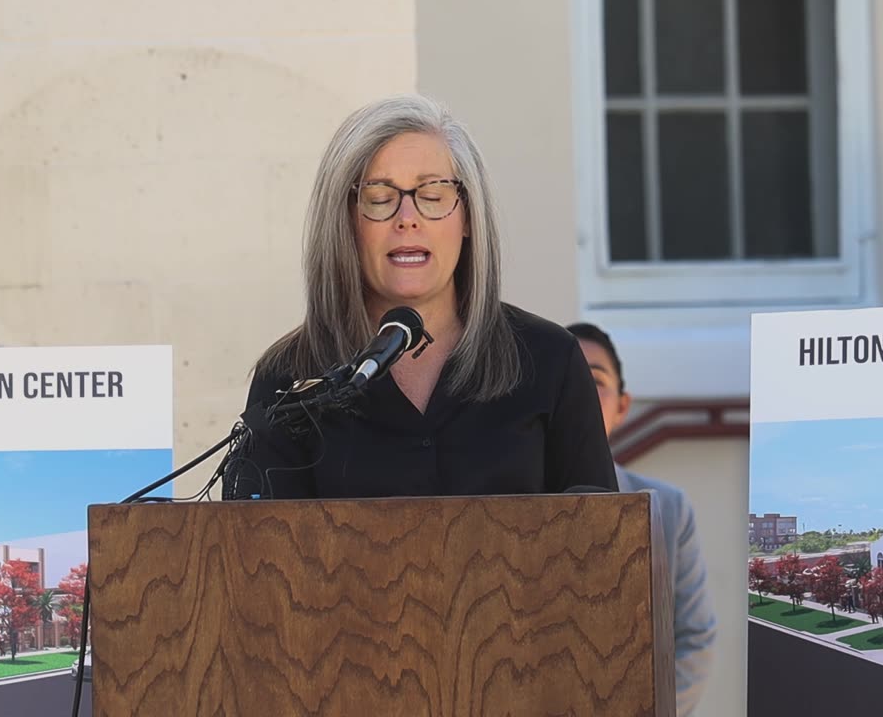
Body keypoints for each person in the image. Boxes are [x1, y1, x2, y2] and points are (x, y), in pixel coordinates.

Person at [228, 94, 618, 499]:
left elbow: (600, 541)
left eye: (432, 196)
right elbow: (256, 552)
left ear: (467, 217)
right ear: (345, 221)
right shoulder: (289, 379)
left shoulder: (550, 360)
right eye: (379, 198)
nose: (407, 219)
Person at [566, 322, 718, 717]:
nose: (580, 393)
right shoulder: (507, 506)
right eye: (567, 379)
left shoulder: (667, 508)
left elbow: (694, 639)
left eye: (596, 381)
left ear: (622, 405)